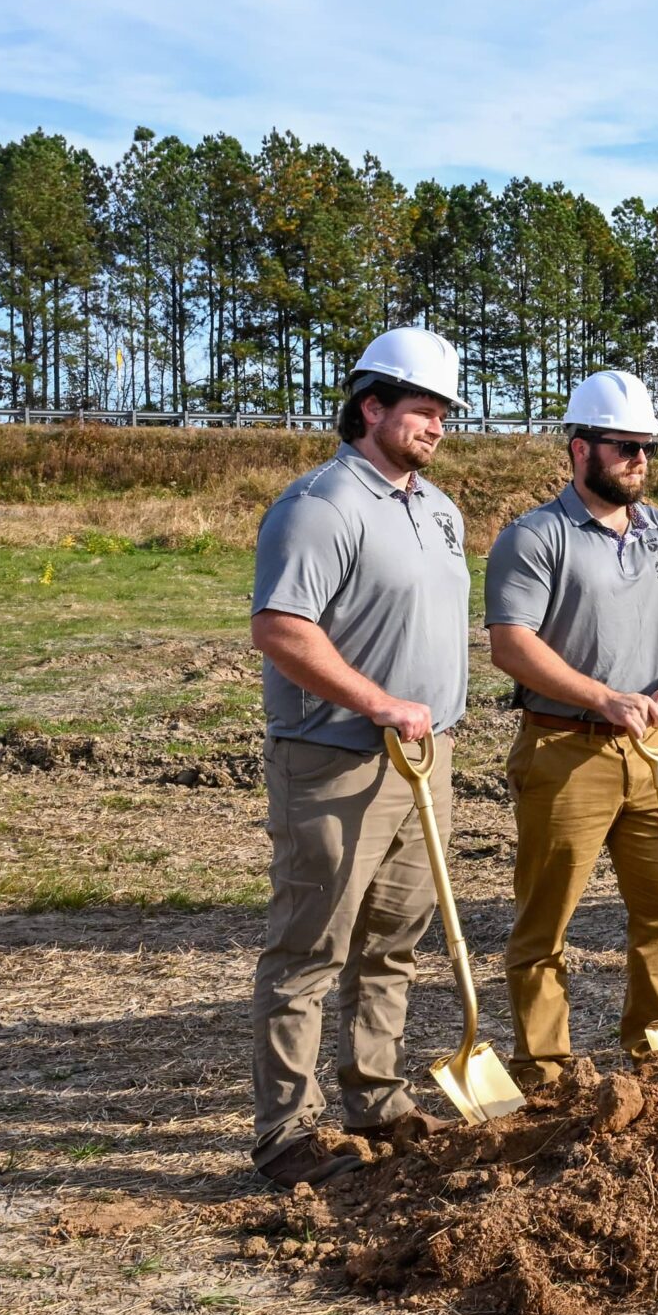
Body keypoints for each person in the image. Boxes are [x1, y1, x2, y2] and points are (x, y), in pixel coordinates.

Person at [246, 327, 471, 1185]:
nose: (437, 426)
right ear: (370, 406)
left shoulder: (437, 509)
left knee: (394, 940)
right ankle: (288, 1131)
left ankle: (375, 1096)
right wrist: (377, 701)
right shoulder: (320, 505)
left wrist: (424, 717)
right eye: (422, 410)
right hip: (333, 758)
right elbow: (280, 628)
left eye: (443, 413)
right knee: (312, 947)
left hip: (423, 760)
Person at [485, 371, 658, 1083]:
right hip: (565, 749)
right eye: (624, 446)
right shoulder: (536, 537)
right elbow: (512, 642)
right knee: (544, 924)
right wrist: (603, 697)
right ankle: (545, 1071)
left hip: (653, 751)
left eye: (646, 447)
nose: (639, 461)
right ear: (578, 448)